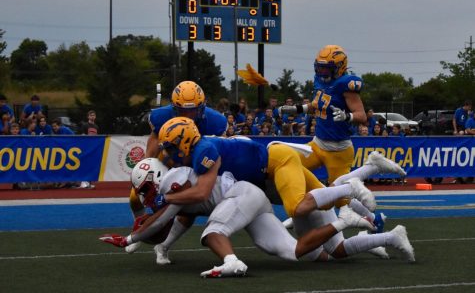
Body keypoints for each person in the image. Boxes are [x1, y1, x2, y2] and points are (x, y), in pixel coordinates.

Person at [102, 159, 412, 277]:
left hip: (246, 195)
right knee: (295, 253)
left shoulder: (173, 181)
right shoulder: (175, 182)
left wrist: (131, 239)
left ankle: (231, 261)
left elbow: (163, 216)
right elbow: (179, 218)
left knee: (216, 232)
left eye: (145, 187)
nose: (144, 194)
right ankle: (350, 220)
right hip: (251, 200)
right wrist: (162, 246)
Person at [151, 117, 405, 261]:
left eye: (173, 147)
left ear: (186, 141)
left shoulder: (204, 152)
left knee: (298, 206)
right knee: (329, 250)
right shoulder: (202, 147)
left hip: (276, 164)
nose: (171, 155)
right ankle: (386, 229)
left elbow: (200, 195)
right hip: (270, 174)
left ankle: (353, 192)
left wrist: (164, 199)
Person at [279, 45, 389, 228]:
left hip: (338, 150)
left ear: (339, 67)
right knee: (291, 165)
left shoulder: (346, 86)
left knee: (339, 199)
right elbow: (317, 104)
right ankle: (298, 211)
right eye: (319, 66)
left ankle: (373, 218)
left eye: (326, 67)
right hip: (317, 144)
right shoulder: (320, 81)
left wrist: (348, 116)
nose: (321, 70)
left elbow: (362, 116)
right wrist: (299, 109)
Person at [126, 80, 227, 255]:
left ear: (202, 106)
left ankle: (164, 246)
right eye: (183, 110)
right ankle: (140, 230)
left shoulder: (215, 122)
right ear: (174, 107)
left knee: (188, 207)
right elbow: (152, 151)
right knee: (136, 195)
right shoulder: (161, 117)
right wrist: (147, 168)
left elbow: (218, 150)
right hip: (168, 158)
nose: (188, 114)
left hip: (193, 163)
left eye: (193, 109)